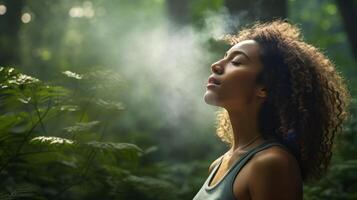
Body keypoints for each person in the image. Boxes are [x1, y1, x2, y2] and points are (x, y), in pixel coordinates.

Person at [193, 20, 350, 200]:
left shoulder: (271, 163)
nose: (216, 65)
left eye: (236, 61)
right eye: (225, 56)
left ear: (264, 88)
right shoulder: (218, 165)